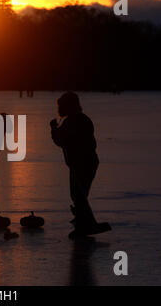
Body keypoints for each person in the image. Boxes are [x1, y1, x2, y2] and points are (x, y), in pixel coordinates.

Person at [50, 92, 111, 239]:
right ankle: (83, 223)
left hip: (83, 163)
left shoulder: (74, 121)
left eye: (61, 106)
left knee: (79, 194)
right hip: (84, 162)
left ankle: (85, 224)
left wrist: (53, 128)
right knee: (78, 195)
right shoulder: (80, 120)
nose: (58, 109)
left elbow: (60, 140)